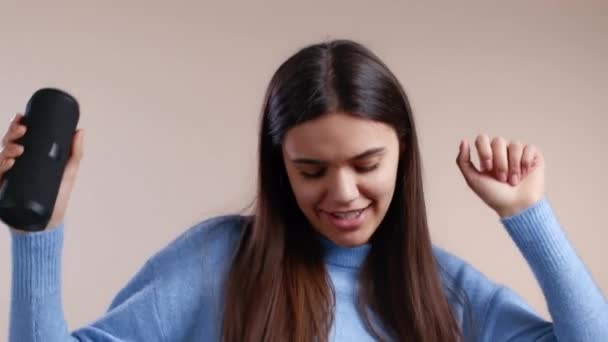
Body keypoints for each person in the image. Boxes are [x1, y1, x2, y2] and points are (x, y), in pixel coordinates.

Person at [5, 40, 607, 342]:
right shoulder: (215, 263)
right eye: (311, 171)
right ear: (280, 166)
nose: (342, 193)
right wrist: (39, 233)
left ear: (403, 153)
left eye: (366, 163)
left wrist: (529, 214)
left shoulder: (442, 290)